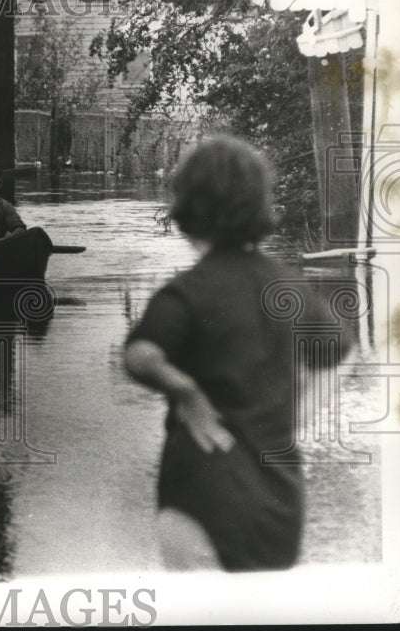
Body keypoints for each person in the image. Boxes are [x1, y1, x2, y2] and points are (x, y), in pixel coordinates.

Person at [123, 135, 353, 572]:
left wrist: (185, 389)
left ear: (188, 208)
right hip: (278, 504)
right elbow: (341, 354)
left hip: (199, 495)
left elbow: (140, 355)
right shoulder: (289, 287)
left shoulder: (188, 291)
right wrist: (301, 413)